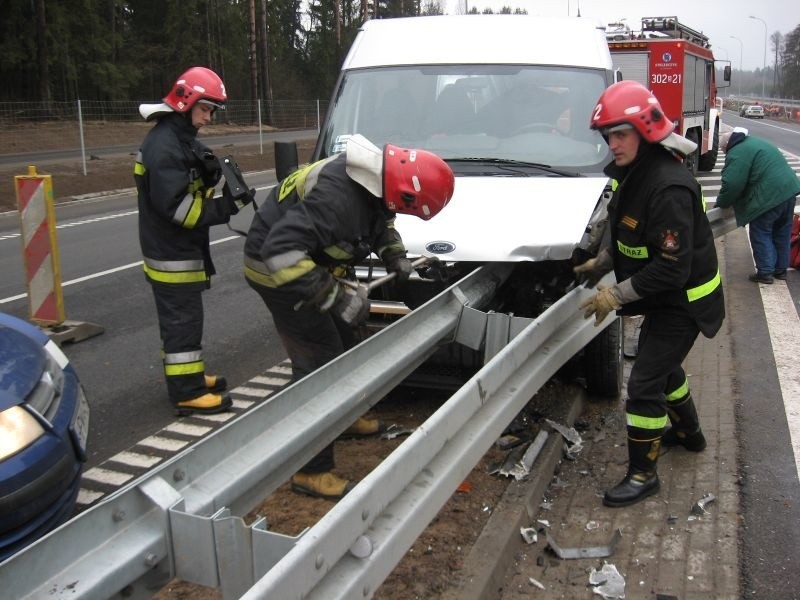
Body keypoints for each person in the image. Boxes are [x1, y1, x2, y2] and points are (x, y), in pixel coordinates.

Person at [243, 134, 454, 500]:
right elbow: (280, 252)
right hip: (279, 272)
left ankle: (343, 419)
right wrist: (337, 297)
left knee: (347, 343)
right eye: (409, 208)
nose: (403, 214)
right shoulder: (337, 198)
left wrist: (396, 257)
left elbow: (380, 224)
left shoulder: (375, 180)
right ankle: (312, 471)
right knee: (320, 364)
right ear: (404, 190)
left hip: (311, 266)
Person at [574, 80, 725, 507]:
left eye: (620, 134)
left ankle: (643, 474)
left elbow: (671, 268)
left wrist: (614, 295)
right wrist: (603, 262)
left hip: (686, 302)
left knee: (643, 386)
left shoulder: (669, 186)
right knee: (662, 366)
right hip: (666, 299)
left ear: (645, 130)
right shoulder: (635, 174)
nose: (612, 144)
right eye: (608, 136)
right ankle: (689, 434)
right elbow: (626, 228)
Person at [134, 66, 254, 416]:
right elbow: (181, 210)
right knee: (182, 324)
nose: (208, 119)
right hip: (171, 256)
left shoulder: (177, 139)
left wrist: (210, 167)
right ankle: (186, 392)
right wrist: (226, 206)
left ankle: (189, 377)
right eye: (205, 110)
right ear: (186, 103)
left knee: (183, 324)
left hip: (176, 251)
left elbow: (189, 172)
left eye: (212, 111)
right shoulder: (165, 148)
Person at [716, 127, 800, 284]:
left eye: (723, 149)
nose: (724, 152)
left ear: (727, 145)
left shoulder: (737, 152)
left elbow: (733, 184)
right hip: (788, 192)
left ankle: (765, 272)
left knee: (761, 232)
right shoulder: (756, 142)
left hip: (769, 197)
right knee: (782, 231)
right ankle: (780, 270)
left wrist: (721, 204)